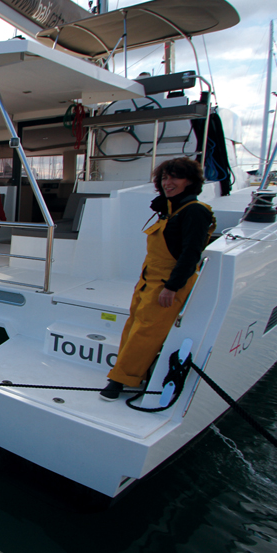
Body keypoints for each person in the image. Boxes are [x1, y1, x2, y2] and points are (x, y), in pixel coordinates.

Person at [101, 157, 216, 401]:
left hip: (167, 283)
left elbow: (191, 254)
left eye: (175, 177)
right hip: (148, 279)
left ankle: (120, 381)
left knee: (146, 332)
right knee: (133, 325)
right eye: (164, 177)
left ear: (190, 181)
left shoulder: (195, 212)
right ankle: (129, 372)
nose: (168, 183)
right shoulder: (169, 210)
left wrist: (172, 287)